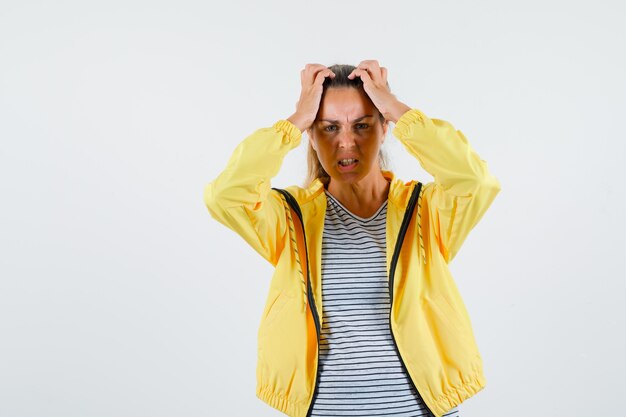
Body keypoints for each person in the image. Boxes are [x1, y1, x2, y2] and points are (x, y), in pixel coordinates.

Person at [204, 60, 501, 417]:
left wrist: (398, 109)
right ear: (311, 136)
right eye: (329, 127)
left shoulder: (424, 210)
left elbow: (476, 182)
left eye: (362, 125)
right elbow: (225, 195)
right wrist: (294, 122)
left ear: (384, 128)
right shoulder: (291, 217)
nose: (347, 142)